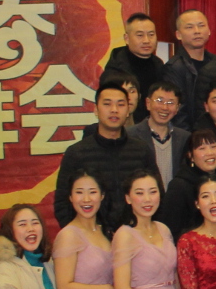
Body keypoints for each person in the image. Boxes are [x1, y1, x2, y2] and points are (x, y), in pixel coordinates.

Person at [54, 76, 160, 226]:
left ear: (128, 110)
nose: (114, 110)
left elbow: (157, 193)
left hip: (134, 233)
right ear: (96, 110)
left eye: (120, 104)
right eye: (107, 104)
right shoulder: (76, 153)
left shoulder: (142, 150)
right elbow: (62, 203)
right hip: (92, 235)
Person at [159, 129, 216, 238]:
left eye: (213, 146)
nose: (210, 153)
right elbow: (170, 229)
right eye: (202, 148)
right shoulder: (179, 186)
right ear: (190, 156)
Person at [128, 80, 184, 187]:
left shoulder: (184, 138)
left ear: (177, 108)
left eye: (171, 103)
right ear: (148, 103)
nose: (164, 107)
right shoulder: (130, 135)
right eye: (159, 100)